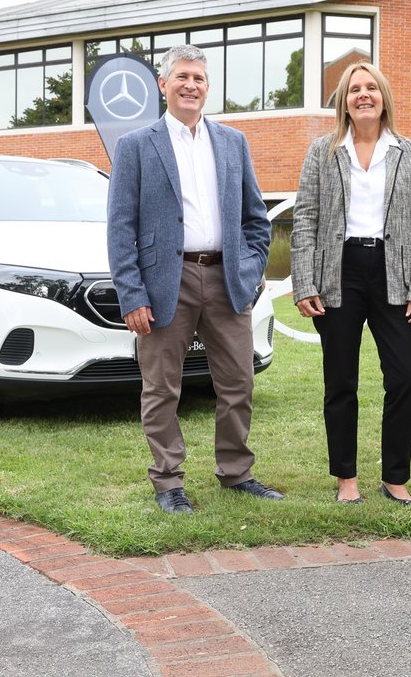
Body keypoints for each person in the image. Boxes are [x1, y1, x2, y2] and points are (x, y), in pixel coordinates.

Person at [107, 44, 281, 514]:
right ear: (163, 85)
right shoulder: (135, 147)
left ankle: (236, 473)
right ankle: (168, 483)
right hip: (166, 283)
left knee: (238, 383)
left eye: (199, 78)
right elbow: (121, 227)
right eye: (182, 76)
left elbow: (255, 218)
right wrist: (132, 294)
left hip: (226, 278)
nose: (191, 85)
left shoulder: (232, 142)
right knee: (162, 387)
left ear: (208, 87)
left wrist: (249, 269)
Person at [290, 62, 411, 506]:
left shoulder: (409, 153)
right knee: (340, 381)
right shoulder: (323, 151)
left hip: (395, 273)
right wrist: (304, 282)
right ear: (344, 101)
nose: (364, 95)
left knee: (405, 377)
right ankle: (346, 479)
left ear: (384, 96)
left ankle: (395, 477)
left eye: (372, 87)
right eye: (355, 89)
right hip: (339, 271)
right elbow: (306, 218)